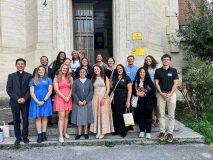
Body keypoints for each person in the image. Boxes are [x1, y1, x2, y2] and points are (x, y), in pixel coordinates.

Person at [6, 58, 32, 147]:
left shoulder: (29, 76)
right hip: (15, 102)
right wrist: (17, 99)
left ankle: (25, 137)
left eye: (22, 64)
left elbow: (30, 89)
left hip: (25, 102)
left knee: (25, 120)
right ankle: (18, 138)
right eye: (18, 64)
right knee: (16, 120)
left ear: (24, 65)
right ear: (16, 65)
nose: (20, 65)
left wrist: (24, 98)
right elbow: (9, 90)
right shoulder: (11, 76)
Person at [154, 54, 179, 143]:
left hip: (171, 95)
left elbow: (176, 83)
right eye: (164, 59)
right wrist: (161, 93)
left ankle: (170, 133)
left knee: (171, 115)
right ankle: (162, 132)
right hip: (161, 95)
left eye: (167, 59)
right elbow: (156, 83)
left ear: (169, 61)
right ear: (162, 61)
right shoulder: (158, 71)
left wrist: (170, 93)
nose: (166, 61)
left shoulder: (173, 70)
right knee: (161, 114)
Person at [29, 65, 53, 143]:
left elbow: (50, 91)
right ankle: (39, 135)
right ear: (37, 71)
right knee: (38, 117)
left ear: (45, 71)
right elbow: (31, 92)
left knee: (45, 117)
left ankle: (44, 133)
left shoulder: (49, 79)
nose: (41, 71)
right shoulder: (33, 80)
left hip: (45, 101)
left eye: (43, 70)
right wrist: (37, 101)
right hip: (36, 101)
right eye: (39, 70)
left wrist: (43, 101)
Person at [90, 65, 114, 139]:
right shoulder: (93, 78)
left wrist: (104, 98)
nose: (96, 70)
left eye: (97, 69)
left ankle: (103, 131)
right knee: (96, 114)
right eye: (95, 69)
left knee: (103, 114)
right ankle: (98, 131)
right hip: (95, 98)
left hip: (104, 98)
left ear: (100, 70)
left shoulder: (105, 77)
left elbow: (108, 89)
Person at [132, 67, 156, 139]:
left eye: (143, 72)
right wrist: (137, 93)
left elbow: (153, 90)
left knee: (148, 116)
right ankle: (142, 131)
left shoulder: (148, 81)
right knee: (140, 116)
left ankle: (148, 132)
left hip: (148, 101)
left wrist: (145, 94)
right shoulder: (136, 81)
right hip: (139, 101)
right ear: (138, 73)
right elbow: (133, 90)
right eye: (140, 72)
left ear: (145, 73)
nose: (142, 73)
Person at [71, 68, 93, 140]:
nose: (82, 73)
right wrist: (78, 101)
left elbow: (91, 92)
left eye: (84, 72)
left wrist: (85, 101)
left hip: (87, 102)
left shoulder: (89, 81)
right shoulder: (75, 81)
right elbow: (73, 92)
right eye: (81, 72)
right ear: (79, 73)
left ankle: (86, 133)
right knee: (79, 118)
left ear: (86, 73)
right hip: (78, 103)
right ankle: (79, 133)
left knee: (86, 117)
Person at [53, 63, 73, 143]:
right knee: (61, 117)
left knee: (66, 116)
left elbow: (72, 88)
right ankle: (60, 135)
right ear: (61, 68)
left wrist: (68, 97)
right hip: (60, 98)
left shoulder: (70, 77)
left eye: (66, 68)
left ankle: (65, 132)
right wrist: (64, 97)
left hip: (68, 98)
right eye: (63, 68)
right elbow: (56, 90)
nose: (65, 69)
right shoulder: (56, 77)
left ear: (68, 70)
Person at [111, 64, 132, 137]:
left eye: (120, 68)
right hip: (116, 98)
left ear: (123, 69)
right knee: (116, 113)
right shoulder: (114, 77)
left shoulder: (127, 78)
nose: (119, 70)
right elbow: (112, 86)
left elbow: (129, 90)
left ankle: (124, 130)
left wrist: (128, 101)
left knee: (124, 113)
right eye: (118, 69)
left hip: (124, 98)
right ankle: (117, 130)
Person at [144, 55, 162, 127]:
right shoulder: (146, 68)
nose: (148, 61)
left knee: (157, 105)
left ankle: (158, 118)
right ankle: (152, 119)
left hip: (157, 88)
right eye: (146, 60)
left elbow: (161, 77)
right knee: (150, 105)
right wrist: (148, 88)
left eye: (149, 59)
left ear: (152, 59)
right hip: (150, 89)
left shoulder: (158, 66)